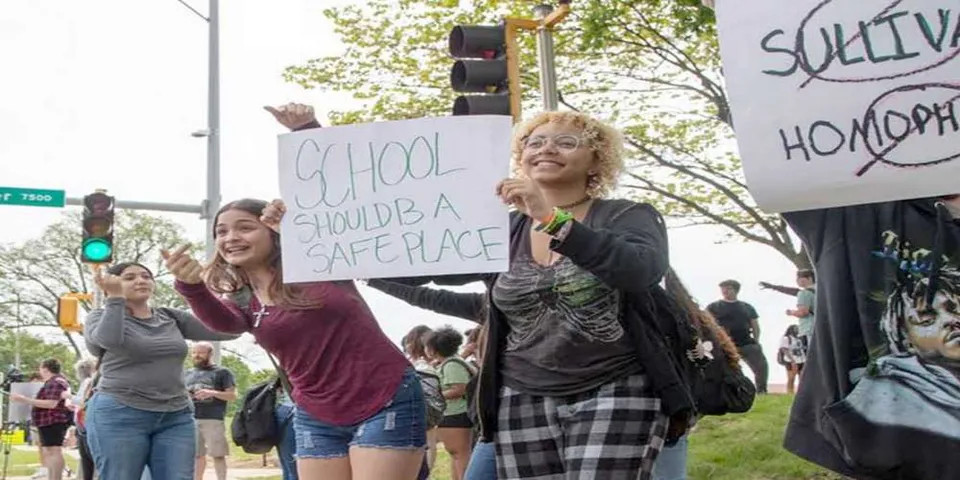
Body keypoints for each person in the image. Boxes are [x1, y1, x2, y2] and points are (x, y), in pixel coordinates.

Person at [370, 110, 693, 478]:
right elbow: (418, 265)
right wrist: (309, 240)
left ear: (596, 160)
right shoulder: (503, 229)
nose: (546, 149)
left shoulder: (627, 216)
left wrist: (550, 218)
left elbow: (640, 270)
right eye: (534, 142)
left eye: (566, 142)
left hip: (616, 387)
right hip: (522, 395)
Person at [164, 198, 427, 480]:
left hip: (384, 396)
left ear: (272, 233)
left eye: (245, 227)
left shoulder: (319, 262)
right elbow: (223, 323)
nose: (231, 238)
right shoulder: (243, 299)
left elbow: (343, 231)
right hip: (316, 411)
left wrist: (298, 229)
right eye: (222, 231)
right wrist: (191, 287)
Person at [83, 262, 240, 480]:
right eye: (129, 277)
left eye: (146, 276)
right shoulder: (98, 318)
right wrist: (115, 299)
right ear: (111, 285)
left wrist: (243, 281)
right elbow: (109, 339)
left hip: (175, 415)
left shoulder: (170, 317)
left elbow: (230, 329)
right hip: (120, 413)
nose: (141, 280)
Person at [424, 327, 474, 480]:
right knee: (457, 456)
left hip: (456, 416)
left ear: (433, 349)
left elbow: (459, 389)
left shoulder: (451, 365)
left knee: (461, 455)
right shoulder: (450, 362)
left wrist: (436, 395)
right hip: (453, 416)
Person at [10, 359, 72, 480]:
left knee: (54, 451)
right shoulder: (55, 381)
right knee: (50, 451)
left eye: (40, 368)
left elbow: (51, 403)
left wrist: (25, 399)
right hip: (48, 421)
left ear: (45, 369)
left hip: (52, 421)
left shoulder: (55, 382)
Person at [185, 341, 237, 480]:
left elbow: (232, 396)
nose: (197, 355)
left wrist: (212, 393)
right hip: (191, 418)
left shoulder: (222, 372)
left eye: (201, 353)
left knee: (218, 454)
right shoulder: (187, 373)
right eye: (194, 352)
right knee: (197, 454)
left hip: (213, 419)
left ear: (210, 354)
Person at [707, 280, 769, 394]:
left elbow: (755, 325)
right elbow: (708, 324)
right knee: (725, 370)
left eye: (728, 288)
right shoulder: (714, 307)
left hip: (746, 342)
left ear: (736, 290)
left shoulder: (747, 307)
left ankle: (762, 391)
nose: (725, 291)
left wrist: (756, 341)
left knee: (761, 367)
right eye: (723, 288)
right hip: (725, 345)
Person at [777, 325, 805, 394]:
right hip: (791, 361)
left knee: (802, 377)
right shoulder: (786, 338)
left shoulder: (798, 339)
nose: (797, 330)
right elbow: (784, 349)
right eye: (795, 329)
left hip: (801, 360)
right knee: (791, 378)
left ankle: (801, 392)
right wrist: (792, 360)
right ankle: (790, 392)